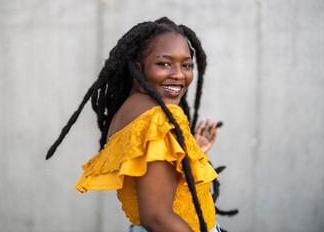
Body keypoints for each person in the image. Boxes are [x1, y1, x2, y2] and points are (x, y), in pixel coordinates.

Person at [46, 17, 223, 232]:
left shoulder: (133, 112)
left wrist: (188, 151)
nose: (178, 74)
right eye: (164, 63)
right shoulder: (157, 119)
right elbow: (157, 218)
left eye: (186, 65)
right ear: (138, 69)